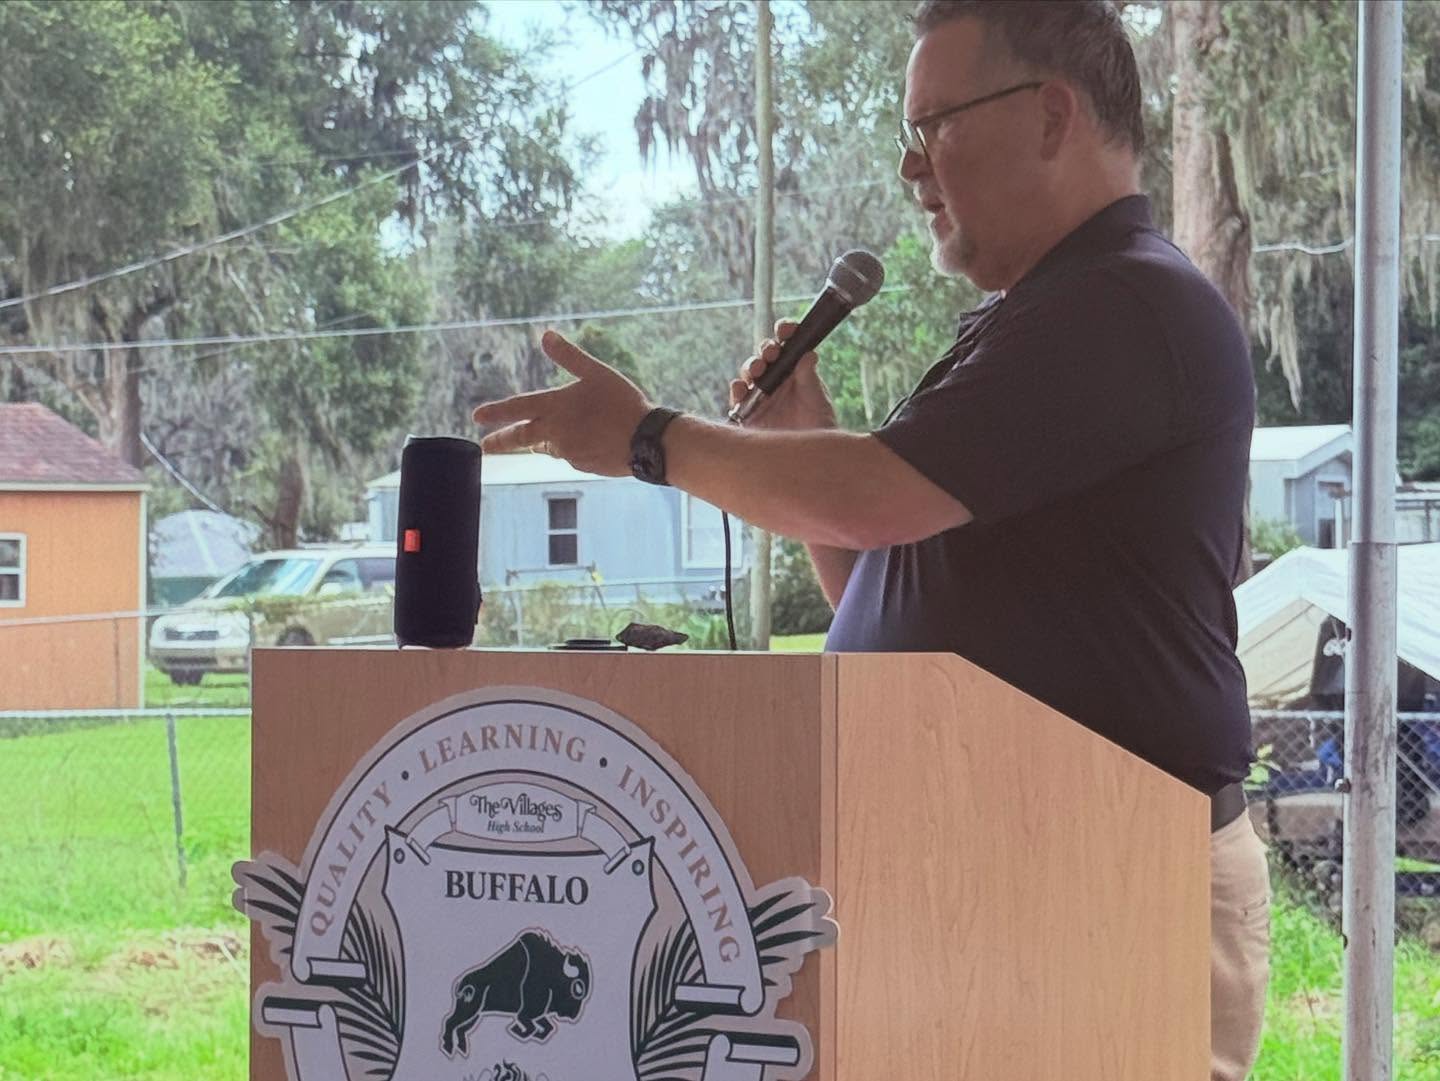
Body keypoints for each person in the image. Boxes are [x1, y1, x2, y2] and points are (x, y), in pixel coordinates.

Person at [470, 2, 1269, 1076]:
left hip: (1111, 878)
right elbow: (885, 582)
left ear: (1050, 115)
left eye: (933, 123)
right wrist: (808, 440)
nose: (910, 167)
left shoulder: (1130, 302)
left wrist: (650, 440)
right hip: (984, 879)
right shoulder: (1032, 319)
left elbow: (876, 497)